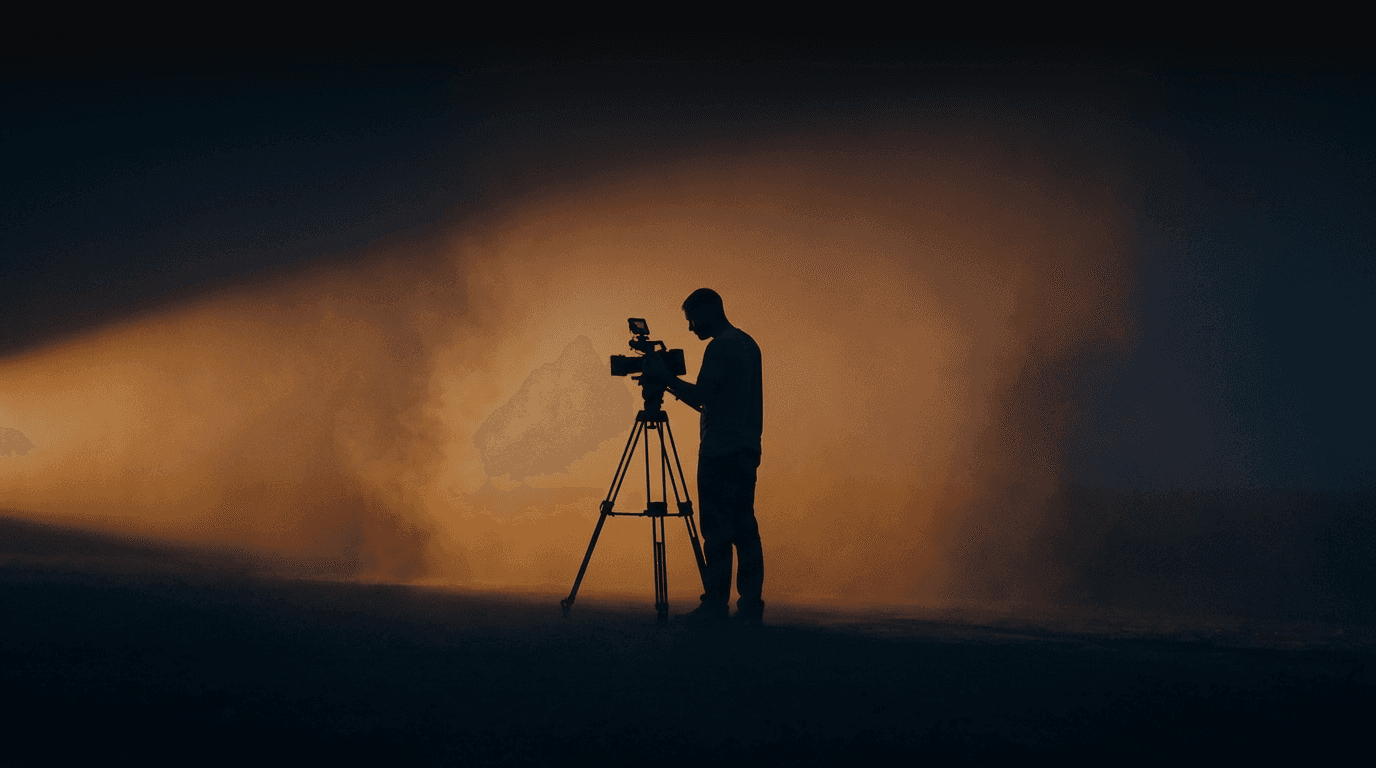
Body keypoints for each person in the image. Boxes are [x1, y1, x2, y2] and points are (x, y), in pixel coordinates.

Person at [640, 288, 764, 624]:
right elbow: (724, 399)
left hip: (720, 449)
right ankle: (750, 605)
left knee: (717, 530)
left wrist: (665, 378)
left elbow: (701, 397)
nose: (690, 327)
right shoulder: (748, 343)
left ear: (707, 311)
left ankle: (715, 605)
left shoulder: (719, 347)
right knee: (745, 527)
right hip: (747, 446)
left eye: (692, 319)